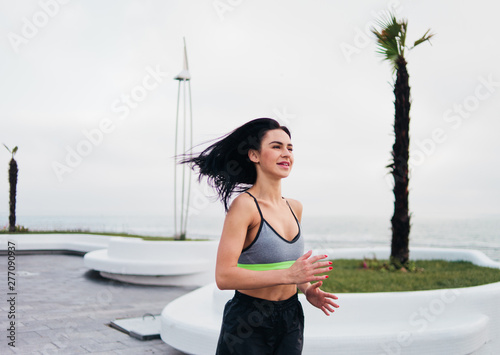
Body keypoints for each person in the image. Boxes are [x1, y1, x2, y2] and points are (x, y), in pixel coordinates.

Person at [182, 118, 339, 354]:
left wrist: (306, 289)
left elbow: (291, 268)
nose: (286, 153)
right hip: (248, 321)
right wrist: (288, 275)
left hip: (291, 316)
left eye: (290, 148)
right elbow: (224, 277)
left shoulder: (295, 207)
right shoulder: (244, 206)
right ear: (254, 155)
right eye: (276, 147)